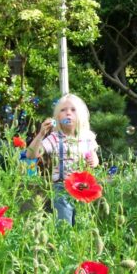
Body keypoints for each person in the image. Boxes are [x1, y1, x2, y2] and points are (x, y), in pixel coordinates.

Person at [25, 94, 99, 225]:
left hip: (83, 187)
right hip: (61, 187)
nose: (68, 113)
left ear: (81, 115)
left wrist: (94, 160)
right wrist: (41, 134)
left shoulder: (87, 137)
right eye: (63, 110)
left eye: (73, 110)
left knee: (82, 224)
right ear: (57, 117)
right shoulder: (54, 138)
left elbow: (94, 157)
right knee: (64, 225)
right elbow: (31, 155)